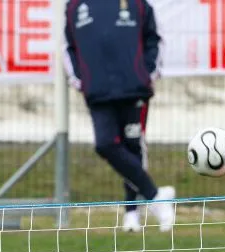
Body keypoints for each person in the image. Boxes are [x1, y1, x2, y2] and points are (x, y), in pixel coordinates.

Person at [64, 0, 174, 232]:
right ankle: (156, 196)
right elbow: (69, 47)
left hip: (133, 88)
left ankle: (132, 213)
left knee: (132, 146)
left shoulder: (138, 4)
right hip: (98, 91)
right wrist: (81, 80)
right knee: (105, 144)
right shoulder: (75, 6)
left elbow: (154, 39)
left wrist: (147, 73)